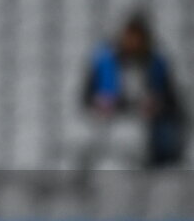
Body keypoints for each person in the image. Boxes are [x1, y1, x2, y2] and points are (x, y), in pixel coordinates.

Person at [80, 11, 187, 168]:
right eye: (130, 36)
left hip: (149, 127)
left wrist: (157, 105)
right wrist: (100, 104)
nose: (133, 42)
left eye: (138, 37)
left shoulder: (158, 63)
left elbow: (173, 103)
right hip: (110, 123)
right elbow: (86, 97)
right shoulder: (103, 60)